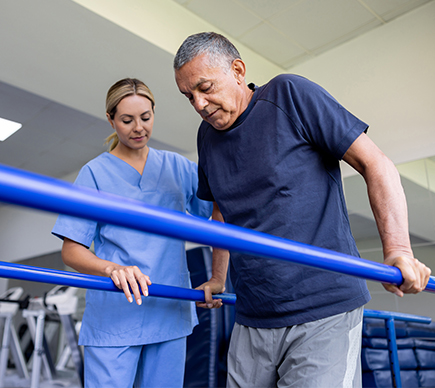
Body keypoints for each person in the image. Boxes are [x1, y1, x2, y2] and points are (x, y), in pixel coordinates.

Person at [173, 32, 431, 387]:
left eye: (205, 87)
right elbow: (221, 210)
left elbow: (377, 164)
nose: (199, 104)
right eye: (189, 96)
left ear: (237, 70)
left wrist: (399, 251)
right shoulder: (207, 137)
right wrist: (219, 278)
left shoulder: (288, 95)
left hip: (323, 309)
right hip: (253, 315)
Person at [51, 78, 212, 388]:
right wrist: (112, 268)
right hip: (116, 315)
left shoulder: (178, 167)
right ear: (111, 119)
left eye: (146, 117)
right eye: (127, 120)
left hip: (169, 309)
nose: (138, 128)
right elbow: (71, 250)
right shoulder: (94, 174)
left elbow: (217, 212)